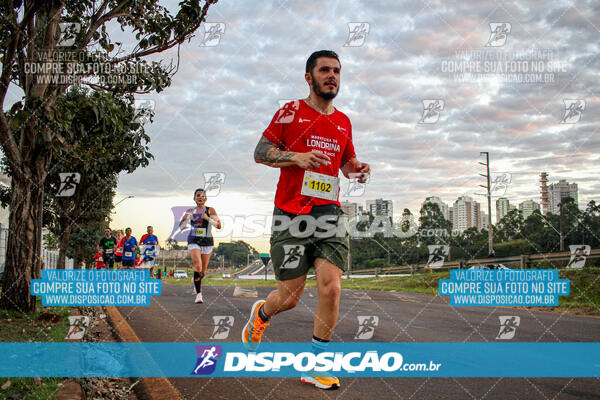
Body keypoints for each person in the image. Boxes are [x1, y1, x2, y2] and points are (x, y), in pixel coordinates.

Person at [244, 50, 370, 390]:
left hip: (328, 213)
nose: (332, 76)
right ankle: (262, 315)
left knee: (332, 286)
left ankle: (317, 365)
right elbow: (260, 152)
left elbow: (346, 162)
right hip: (290, 214)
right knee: (290, 296)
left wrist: (355, 169)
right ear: (308, 77)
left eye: (337, 71)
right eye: (325, 70)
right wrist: (296, 157)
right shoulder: (290, 112)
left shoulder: (343, 121)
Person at [179, 188, 222, 303]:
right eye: (198, 195)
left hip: (207, 242)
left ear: (206, 198)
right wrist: (188, 218)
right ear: (194, 198)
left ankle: (196, 279)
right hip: (194, 241)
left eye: (203, 196)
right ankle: (199, 294)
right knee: (197, 266)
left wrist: (207, 218)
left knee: (202, 272)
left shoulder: (210, 210)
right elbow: (181, 227)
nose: (200, 197)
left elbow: (219, 226)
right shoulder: (190, 211)